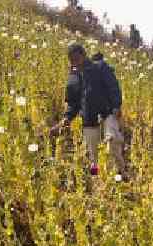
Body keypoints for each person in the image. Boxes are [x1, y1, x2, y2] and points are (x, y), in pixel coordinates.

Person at [50, 43, 126, 176]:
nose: (75, 63)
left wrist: (116, 106)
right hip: (89, 119)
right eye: (72, 61)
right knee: (93, 156)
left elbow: (113, 87)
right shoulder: (74, 77)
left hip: (107, 113)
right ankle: (96, 178)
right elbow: (73, 103)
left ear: (84, 56)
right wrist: (66, 119)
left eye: (77, 59)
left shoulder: (100, 67)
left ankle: (120, 175)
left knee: (112, 142)